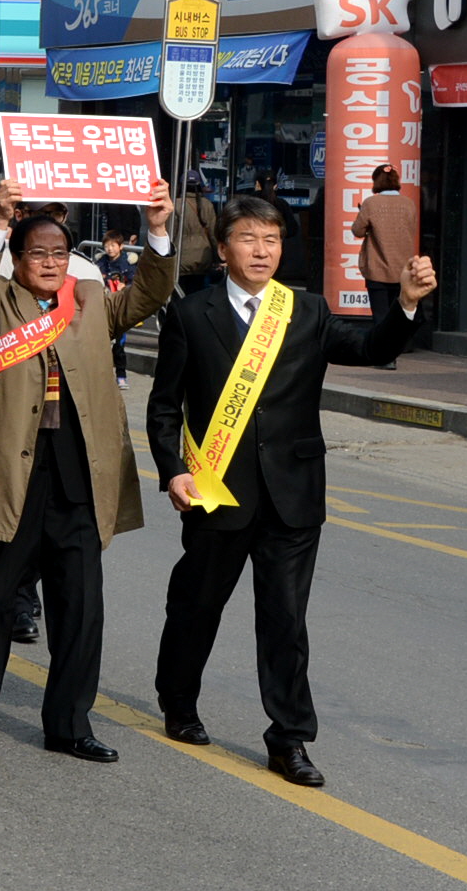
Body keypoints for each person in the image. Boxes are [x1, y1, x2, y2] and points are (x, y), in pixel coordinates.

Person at [147, 197, 433, 787]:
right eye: (249, 238)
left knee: (285, 620)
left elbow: (370, 348)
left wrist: (404, 304)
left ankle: (290, 739)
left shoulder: (305, 310)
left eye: (272, 240)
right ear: (224, 248)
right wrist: (173, 468)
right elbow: (163, 407)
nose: (261, 250)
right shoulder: (191, 314)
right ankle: (179, 701)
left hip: (293, 495)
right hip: (215, 489)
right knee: (197, 606)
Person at [0, 176, 175, 764]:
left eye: (59, 253)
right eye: (37, 252)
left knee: (81, 605)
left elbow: (148, 293)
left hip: (78, 471)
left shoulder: (90, 301)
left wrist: (160, 230)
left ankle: (69, 723)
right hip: (15, 471)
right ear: (18, 258)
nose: (49, 262)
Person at [351, 165, 419, 366]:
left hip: (378, 268)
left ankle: (386, 358)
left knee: (380, 316)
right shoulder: (408, 204)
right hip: (403, 270)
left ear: (376, 181)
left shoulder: (371, 203)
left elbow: (357, 230)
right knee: (397, 313)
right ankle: (398, 349)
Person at [95, 231, 136, 389]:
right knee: (102, 345)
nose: (109, 249)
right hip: (104, 307)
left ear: (121, 246)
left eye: (113, 245)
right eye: (106, 246)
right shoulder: (101, 262)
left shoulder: (128, 263)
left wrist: (125, 286)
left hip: (120, 308)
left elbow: (136, 282)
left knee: (119, 345)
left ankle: (121, 375)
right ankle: (103, 376)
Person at [175, 173, 219, 293]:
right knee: (199, 293)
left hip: (181, 257)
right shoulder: (207, 205)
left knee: (180, 294)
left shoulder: (176, 205)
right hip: (203, 257)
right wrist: (217, 257)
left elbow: (171, 234)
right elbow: (213, 234)